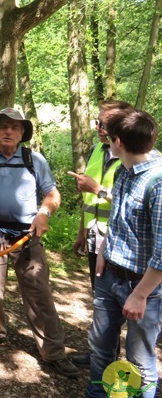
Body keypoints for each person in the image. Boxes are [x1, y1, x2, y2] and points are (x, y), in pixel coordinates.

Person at [0, 107, 78, 379]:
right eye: (3, 126)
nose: (8, 131)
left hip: (27, 237)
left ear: (22, 133)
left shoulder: (33, 159)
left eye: (15, 127)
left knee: (39, 292)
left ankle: (53, 352)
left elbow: (52, 194)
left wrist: (44, 214)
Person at [85, 108, 162, 398]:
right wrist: (103, 252)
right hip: (110, 276)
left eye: (108, 134)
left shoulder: (157, 183)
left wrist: (140, 295)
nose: (103, 136)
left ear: (118, 141)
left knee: (140, 359)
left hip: (144, 288)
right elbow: (118, 218)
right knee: (100, 347)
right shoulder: (122, 170)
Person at [67, 100, 132, 368]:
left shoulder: (136, 156)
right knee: (102, 302)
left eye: (103, 123)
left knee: (124, 305)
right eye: (97, 122)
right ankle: (103, 356)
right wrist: (82, 232)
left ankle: (126, 365)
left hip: (123, 244)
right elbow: (88, 200)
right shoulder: (96, 150)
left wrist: (98, 190)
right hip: (96, 240)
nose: (98, 128)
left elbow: (133, 203)